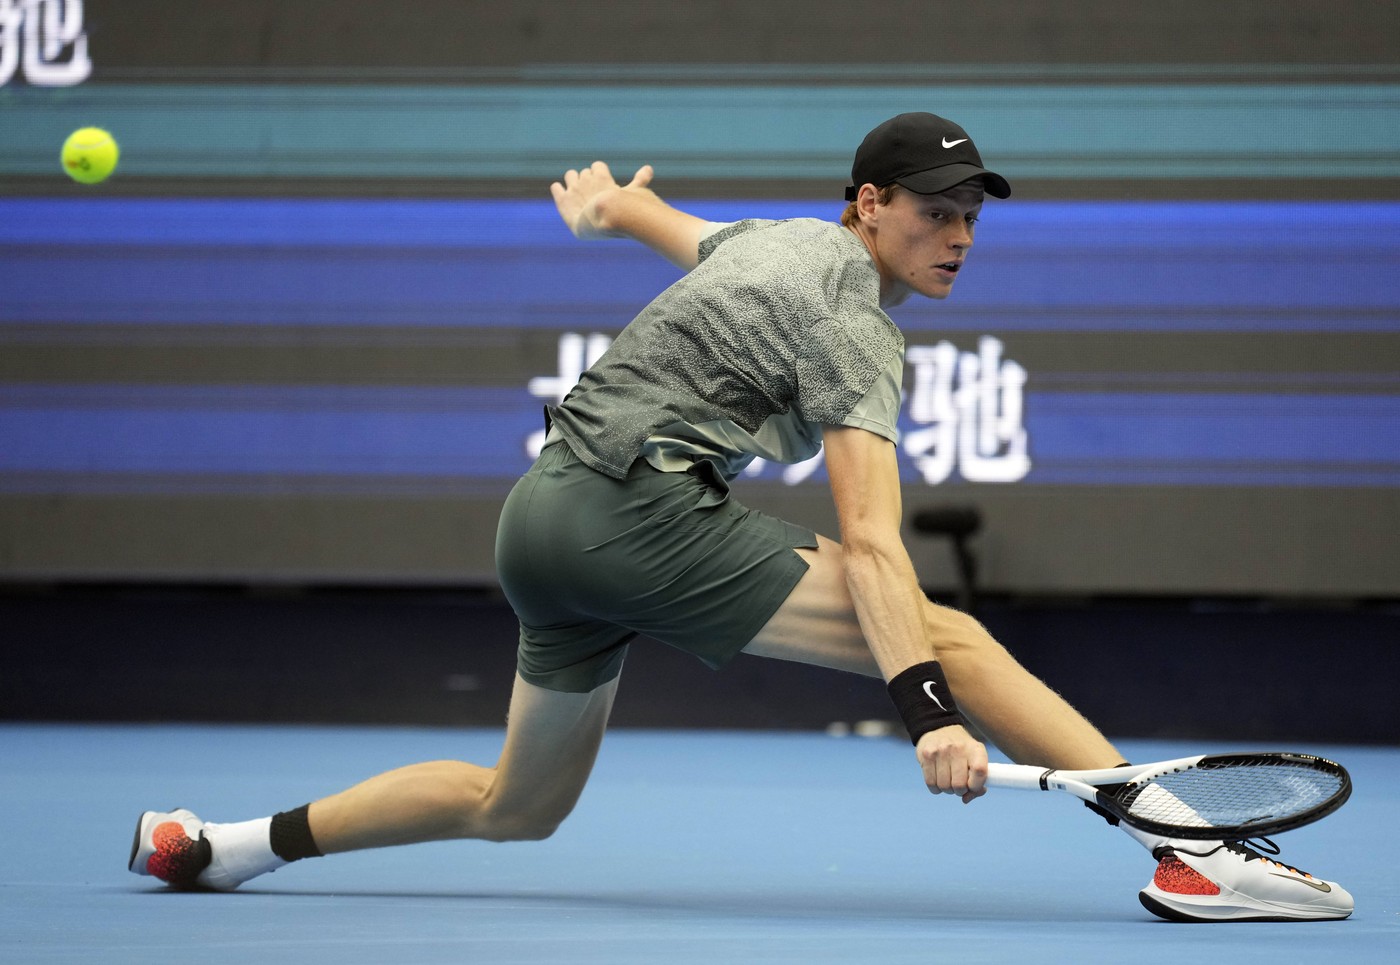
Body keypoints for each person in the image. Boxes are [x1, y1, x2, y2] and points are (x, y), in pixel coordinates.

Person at [128, 112, 1352, 923]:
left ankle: (223, 842)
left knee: (518, 803)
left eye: (972, 214)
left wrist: (614, 210)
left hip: (539, 524)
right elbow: (872, 543)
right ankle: (1202, 854)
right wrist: (921, 705)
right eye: (933, 211)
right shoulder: (856, 329)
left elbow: (683, 232)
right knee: (957, 639)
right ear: (868, 205)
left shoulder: (772, 241)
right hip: (633, 515)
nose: (958, 235)